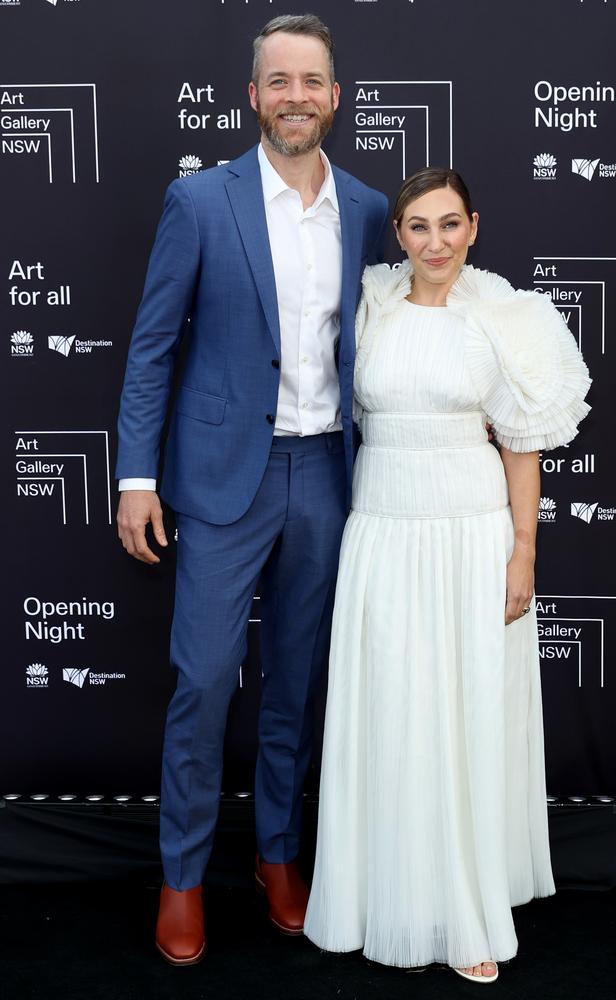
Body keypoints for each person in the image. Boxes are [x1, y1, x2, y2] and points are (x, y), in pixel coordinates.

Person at [116, 14, 388, 966]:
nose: (296, 96)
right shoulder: (199, 201)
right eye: (279, 81)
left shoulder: (366, 209)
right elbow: (153, 347)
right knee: (200, 684)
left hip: (326, 474)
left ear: (334, 97)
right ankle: (181, 877)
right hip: (221, 481)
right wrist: (137, 476)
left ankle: (278, 855)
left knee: (297, 682)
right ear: (254, 96)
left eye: (311, 81)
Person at [304, 168, 591, 982]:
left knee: (464, 713)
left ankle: (467, 908)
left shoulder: (503, 315)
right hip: (383, 532)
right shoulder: (371, 305)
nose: (435, 243)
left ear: (474, 227)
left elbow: (521, 443)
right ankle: (374, 898)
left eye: (450, 225)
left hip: (471, 534)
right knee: (390, 710)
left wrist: (524, 550)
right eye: (418, 227)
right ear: (397, 235)